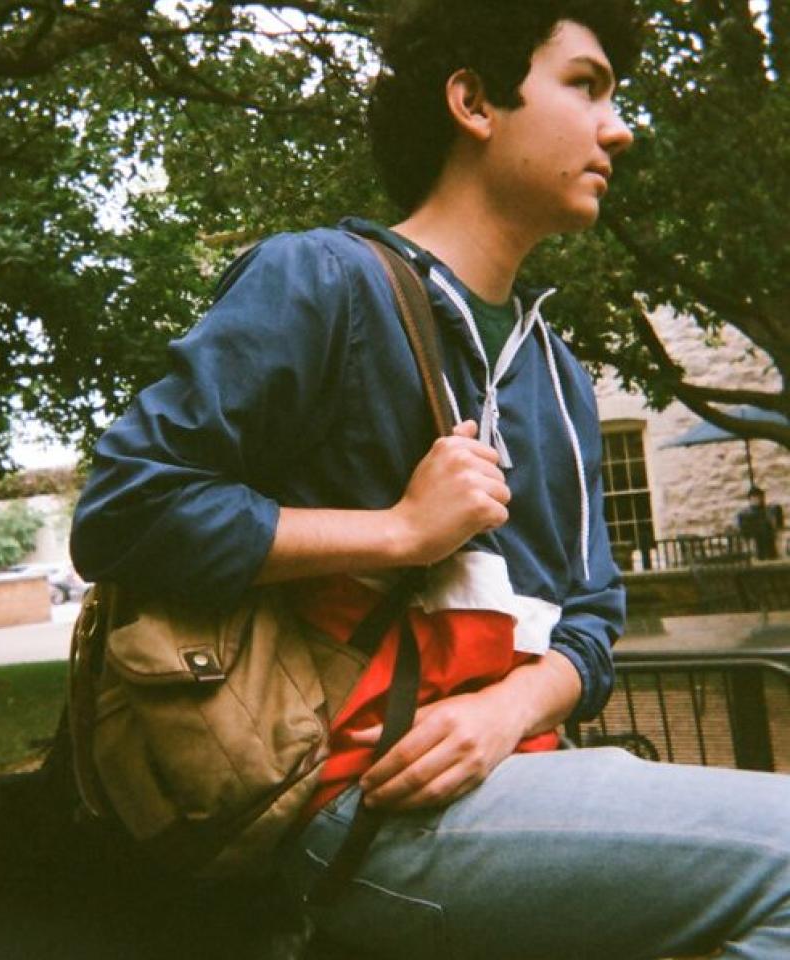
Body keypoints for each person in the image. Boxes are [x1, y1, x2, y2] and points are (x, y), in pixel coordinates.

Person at [70, 1, 790, 957]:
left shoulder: (560, 373)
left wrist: (508, 709)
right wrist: (401, 534)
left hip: (515, 780)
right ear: (474, 101)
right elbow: (126, 509)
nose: (618, 128)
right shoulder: (321, 282)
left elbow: (594, 615)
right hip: (355, 806)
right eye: (586, 85)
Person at [738, 487, 784, 561]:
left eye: (758, 497)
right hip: (756, 544)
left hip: (770, 543)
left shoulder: (769, 511)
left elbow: (778, 527)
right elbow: (744, 532)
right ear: (750, 499)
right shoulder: (745, 514)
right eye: (754, 498)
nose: (756, 500)